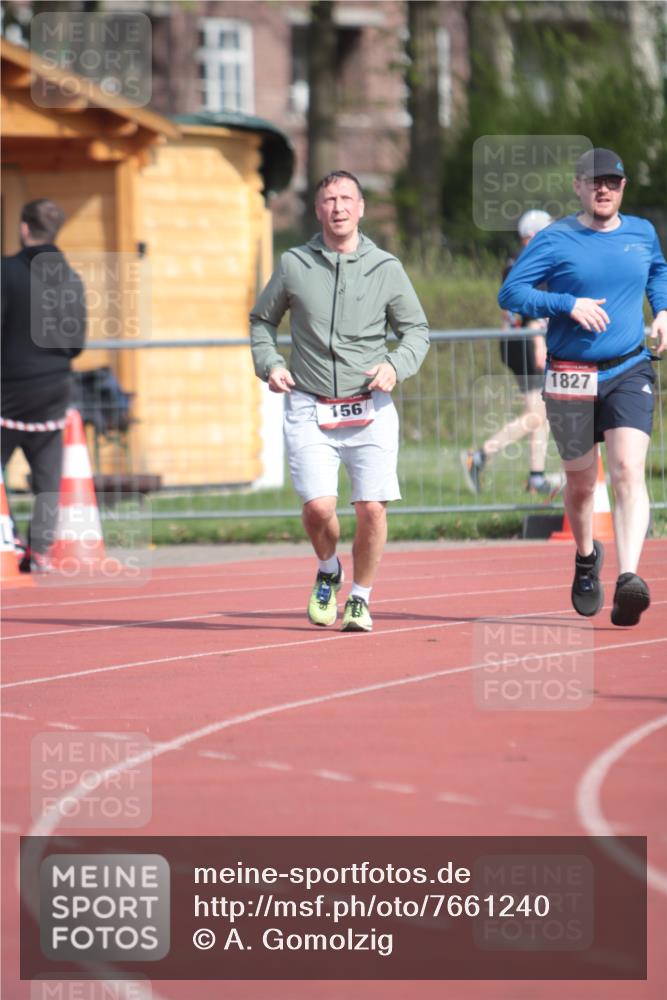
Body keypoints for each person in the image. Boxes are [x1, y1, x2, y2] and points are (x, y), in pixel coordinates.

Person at [250, 170, 430, 632]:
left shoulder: (386, 267)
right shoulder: (294, 264)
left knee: (371, 507)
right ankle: (329, 570)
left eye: (347, 198)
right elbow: (261, 322)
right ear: (317, 209)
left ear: (362, 207)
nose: (338, 207)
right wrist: (270, 364)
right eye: (329, 199)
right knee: (318, 508)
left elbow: (416, 331)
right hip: (309, 403)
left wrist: (396, 365)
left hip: (369, 405)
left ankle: (361, 599)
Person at [498, 148, 667, 626]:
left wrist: (663, 309)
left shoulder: (641, 232)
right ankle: (586, 557)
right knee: (579, 483)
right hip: (571, 372)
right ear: (578, 186)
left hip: (629, 369)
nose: (603, 189)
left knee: (628, 470)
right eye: (594, 182)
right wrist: (566, 304)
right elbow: (510, 293)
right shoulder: (554, 239)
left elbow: (658, 271)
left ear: (623, 187)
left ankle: (629, 577)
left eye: (612, 182)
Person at [1, 199, 86, 572]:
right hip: (54, 386)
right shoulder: (68, 277)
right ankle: (40, 553)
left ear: (24, 228)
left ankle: (9, 542)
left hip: (9, 387)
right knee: (47, 475)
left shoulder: (6, 272)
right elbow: (76, 343)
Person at [461, 209, 553, 495]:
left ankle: (536, 476)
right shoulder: (527, 262)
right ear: (533, 236)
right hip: (525, 343)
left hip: (520, 342)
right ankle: (480, 455)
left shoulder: (515, 261)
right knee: (537, 414)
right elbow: (529, 308)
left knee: (540, 413)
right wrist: (540, 341)